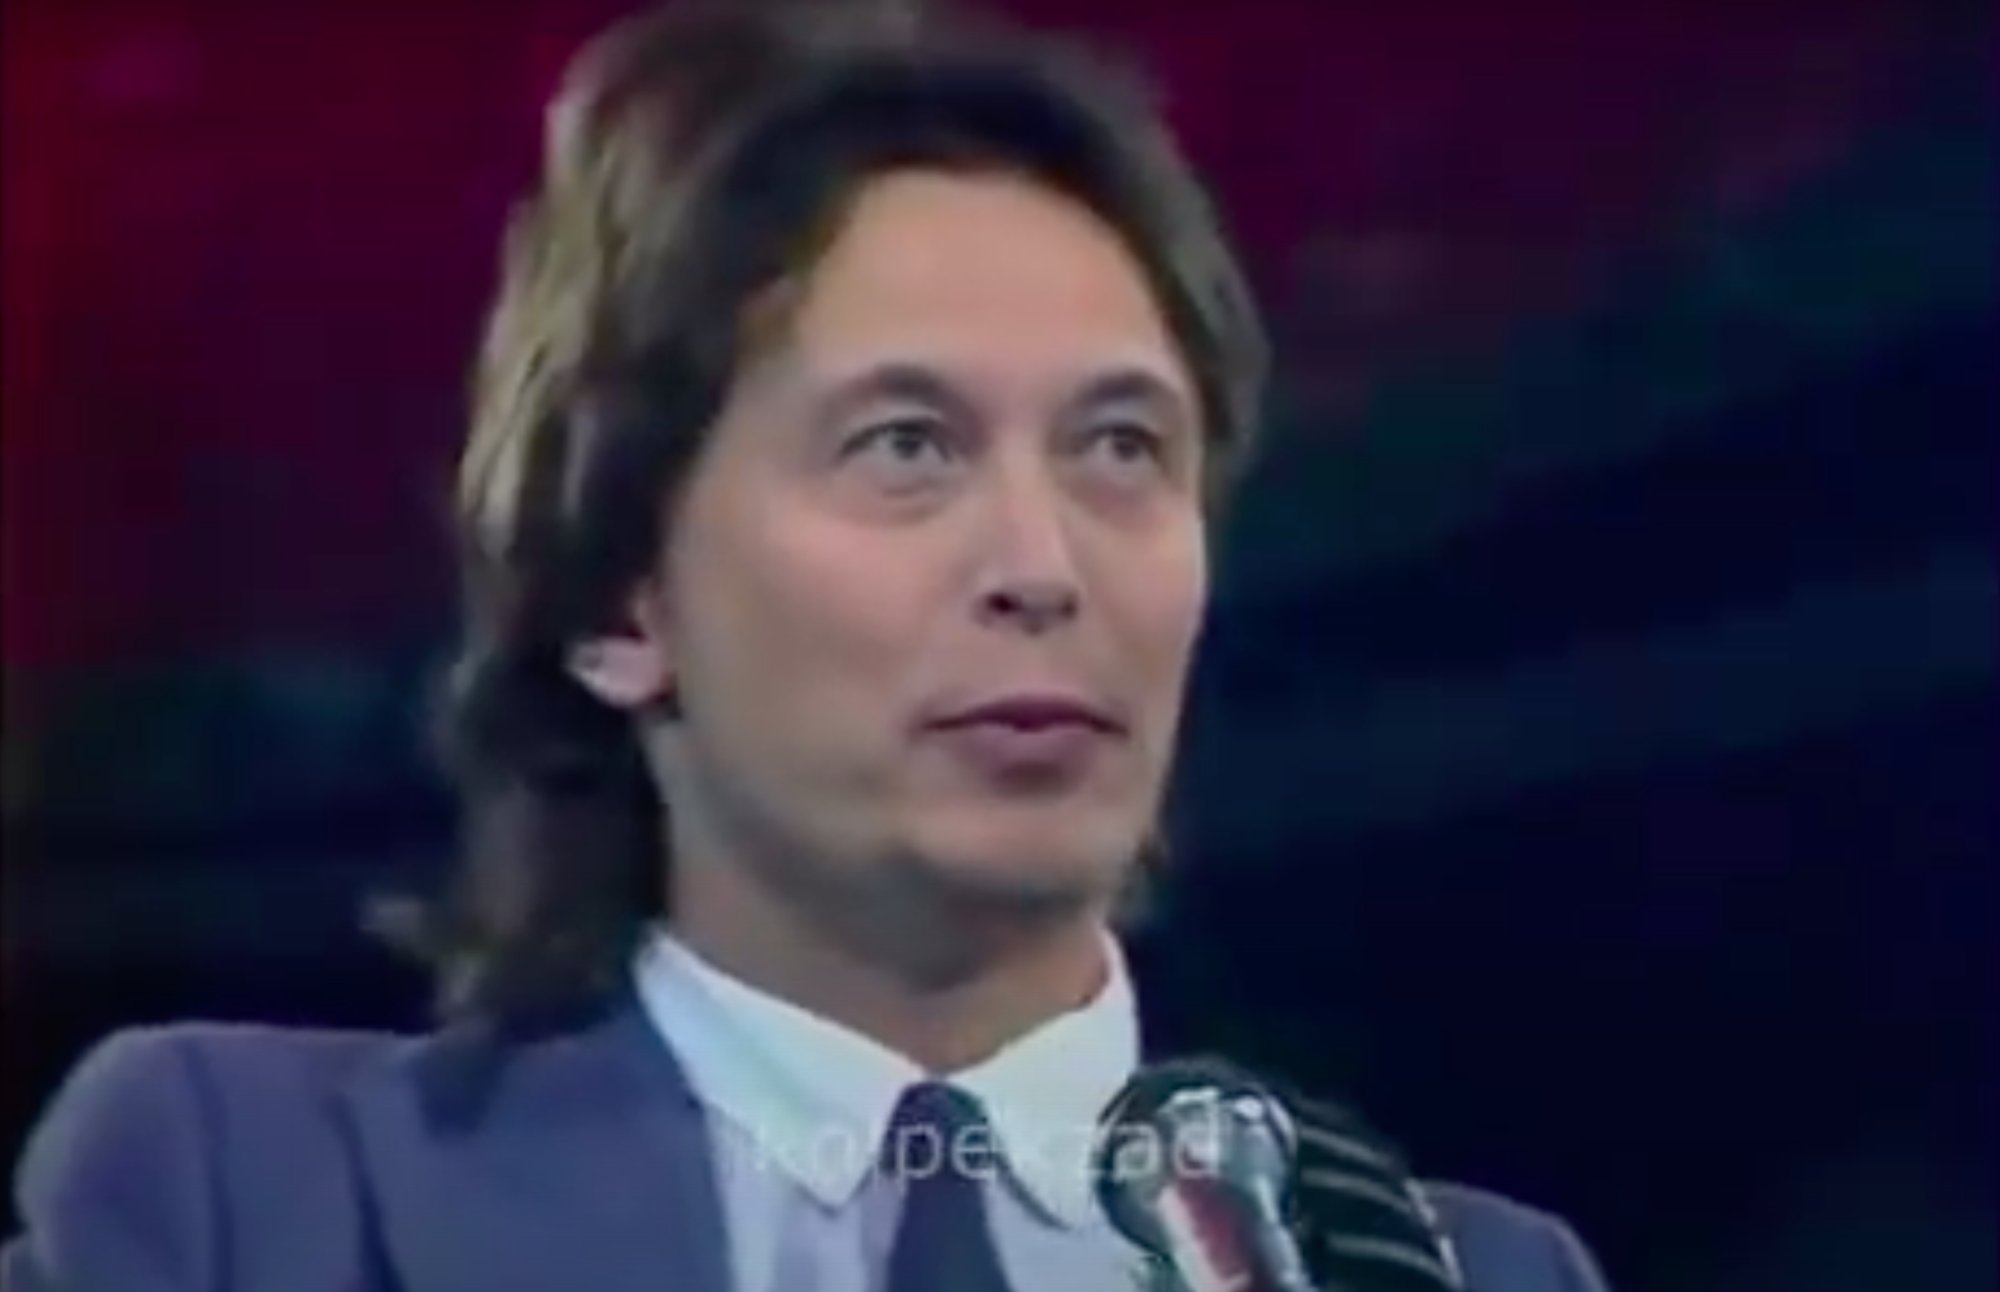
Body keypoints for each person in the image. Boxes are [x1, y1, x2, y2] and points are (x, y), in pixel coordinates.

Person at [4, 3, 1610, 1289]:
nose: (1042, 567)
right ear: (621, 600)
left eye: (1122, 449)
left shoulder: (1468, 1276)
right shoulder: (251, 1201)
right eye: (906, 446)